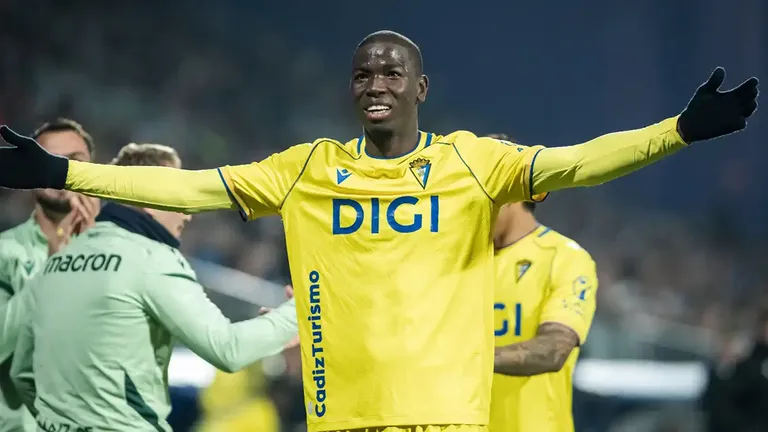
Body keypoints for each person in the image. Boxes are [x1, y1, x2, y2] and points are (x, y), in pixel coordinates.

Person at [0, 31, 759, 432]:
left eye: (393, 73)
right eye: (364, 74)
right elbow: (191, 185)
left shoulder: (471, 162)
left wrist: (679, 131)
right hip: (345, 418)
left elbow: (578, 163)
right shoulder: (309, 169)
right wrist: (68, 173)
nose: (377, 85)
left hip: (447, 419)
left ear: (420, 87)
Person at [5, 143, 299, 432]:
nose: (188, 213)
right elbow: (228, 350)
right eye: (178, 194)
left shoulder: (57, 260)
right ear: (149, 193)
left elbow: (21, 371)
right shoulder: (151, 259)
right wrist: (299, 310)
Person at [486, 135, 597, 431]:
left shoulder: (565, 258)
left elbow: (554, 349)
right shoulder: (453, 259)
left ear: (511, 190)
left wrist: (469, 359)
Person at [0, 118, 100, 432]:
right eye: (48, 159)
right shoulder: (4, 253)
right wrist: (54, 270)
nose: (60, 170)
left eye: (75, 161)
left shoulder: (123, 255)